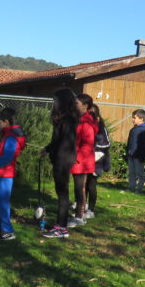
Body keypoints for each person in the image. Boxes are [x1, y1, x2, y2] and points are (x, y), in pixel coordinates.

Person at [42, 88, 79, 239]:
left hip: (63, 160)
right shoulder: (65, 119)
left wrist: (55, 157)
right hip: (61, 158)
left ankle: (61, 227)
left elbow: (63, 143)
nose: (53, 103)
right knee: (61, 193)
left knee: (63, 194)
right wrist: (47, 148)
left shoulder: (67, 120)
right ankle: (61, 225)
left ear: (61, 102)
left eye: (55, 100)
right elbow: (56, 141)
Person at [0, 108, 26, 240]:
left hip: (4, 173)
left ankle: (7, 231)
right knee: (1, 202)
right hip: (2, 173)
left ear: (6, 121)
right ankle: (3, 228)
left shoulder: (11, 137)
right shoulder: (9, 134)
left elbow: (7, 157)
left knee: (2, 203)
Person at [67, 93, 97, 228]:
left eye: (77, 103)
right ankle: (80, 214)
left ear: (85, 106)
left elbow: (87, 144)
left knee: (80, 189)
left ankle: (79, 217)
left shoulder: (86, 122)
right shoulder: (81, 119)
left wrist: (76, 158)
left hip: (82, 162)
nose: (74, 105)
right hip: (79, 161)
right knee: (79, 189)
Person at [86, 103, 111, 219]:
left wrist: (94, 154)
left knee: (91, 185)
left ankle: (91, 210)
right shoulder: (86, 125)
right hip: (85, 159)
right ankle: (82, 206)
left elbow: (106, 144)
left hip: (96, 160)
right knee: (83, 184)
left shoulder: (101, 128)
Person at [125, 109, 145, 193]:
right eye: (132, 117)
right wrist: (128, 152)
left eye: (134, 118)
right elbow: (129, 142)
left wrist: (142, 156)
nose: (132, 119)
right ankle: (131, 187)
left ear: (141, 119)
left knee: (139, 173)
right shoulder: (133, 129)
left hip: (138, 156)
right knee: (131, 172)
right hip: (131, 154)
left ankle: (139, 189)